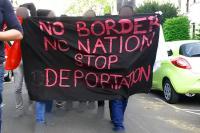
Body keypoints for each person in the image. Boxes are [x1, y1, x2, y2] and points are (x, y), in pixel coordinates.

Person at [109, 5, 134, 132]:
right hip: (113, 69)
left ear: (132, 14)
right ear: (119, 14)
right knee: (116, 97)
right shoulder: (110, 28)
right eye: (123, 13)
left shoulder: (138, 29)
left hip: (129, 71)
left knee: (124, 97)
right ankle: (119, 125)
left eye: (128, 13)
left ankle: (116, 119)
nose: (125, 15)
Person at [0, 0, 23, 131]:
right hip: (14, 60)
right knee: (17, 87)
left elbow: (18, 33)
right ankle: (19, 109)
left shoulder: (3, 3)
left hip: (19, 60)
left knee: (18, 86)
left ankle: (20, 110)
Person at [14, 6, 31, 117]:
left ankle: (31, 105)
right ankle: (19, 108)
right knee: (17, 88)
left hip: (29, 61)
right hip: (16, 61)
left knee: (30, 86)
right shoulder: (12, 27)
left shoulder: (32, 27)